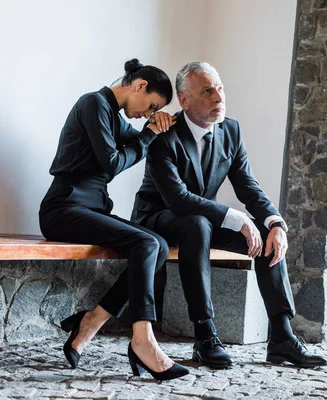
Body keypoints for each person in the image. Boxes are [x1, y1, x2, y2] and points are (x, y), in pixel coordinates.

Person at [131, 62, 327, 369]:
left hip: (203, 221)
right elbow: (178, 200)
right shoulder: (163, 133)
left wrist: (274, 222)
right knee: (196, 224)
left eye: (219, 88)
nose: (218, 97)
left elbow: (247, 185)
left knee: (265, 237)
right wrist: (236, 218)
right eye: (207, 91)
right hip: (158, 218)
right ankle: (205, 336)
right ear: (185, 101)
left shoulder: (231, 130)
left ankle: (282, 338)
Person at [39, 59, 188, 381]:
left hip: (89, 209)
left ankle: (91, 320)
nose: (147, 113)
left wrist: (160, 124)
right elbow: (111, 164)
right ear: (139, 85)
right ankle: (143, 338)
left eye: (154, 110)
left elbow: (138, 139)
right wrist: (147, 134)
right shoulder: (94, 103)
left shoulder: (110, 114)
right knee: (148, 242)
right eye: (151, 105)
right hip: (64, 207)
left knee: (158, 246)